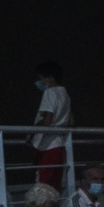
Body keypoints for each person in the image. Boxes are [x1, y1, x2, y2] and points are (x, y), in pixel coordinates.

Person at [29, 61, 72, 190]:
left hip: (46, 145)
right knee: (54, 185)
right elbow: (70, 121)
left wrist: (30, 132)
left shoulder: (50, 92)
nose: (38, 82)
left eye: (40, 78)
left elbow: (47, 120)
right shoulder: (65, 94)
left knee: (42, 186)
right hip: (59, 144)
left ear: (49, 78)